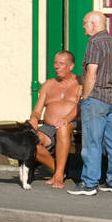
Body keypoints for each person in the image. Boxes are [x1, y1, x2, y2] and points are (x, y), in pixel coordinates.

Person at [70, 11, 112, 196]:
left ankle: (89, 183)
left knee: (92, 141)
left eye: (85, 23)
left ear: (94, 24)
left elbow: (91, 72)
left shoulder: (94, 43)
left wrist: (85, 96)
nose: (83, 26)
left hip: (96, 98)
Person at [29, 50, 81, 189]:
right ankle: (59, 171)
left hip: (72, 125)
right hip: (48, 127)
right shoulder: (48, 84)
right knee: (30, 141)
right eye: (55, 63)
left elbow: (81, 107)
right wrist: (34, 118)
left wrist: (67, 118)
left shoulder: (80, 83)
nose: (56, 66)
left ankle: (58, 175)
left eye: (61, 63)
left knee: (63, 128)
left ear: (71, 66)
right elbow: (37, 110)